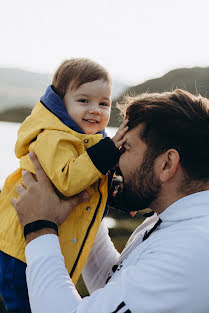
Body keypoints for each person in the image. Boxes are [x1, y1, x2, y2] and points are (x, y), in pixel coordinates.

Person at [12, 89, 209, 313]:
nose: (113, 162)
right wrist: (78, 202)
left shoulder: (191, 249)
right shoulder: (172, 220)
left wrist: (39, 227)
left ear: (167, 164)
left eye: (125, 147)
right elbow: (115, 287)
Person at [0, 58, 128, 312]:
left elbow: (90, 182)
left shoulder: (86, 142)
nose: (95, 110)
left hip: (45, 244)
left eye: (104, 103)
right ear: (60, 102)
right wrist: (107, 153)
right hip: (21, 251)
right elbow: (68, 180)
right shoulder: (53, 137)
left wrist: (116, 190)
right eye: (84, 101)